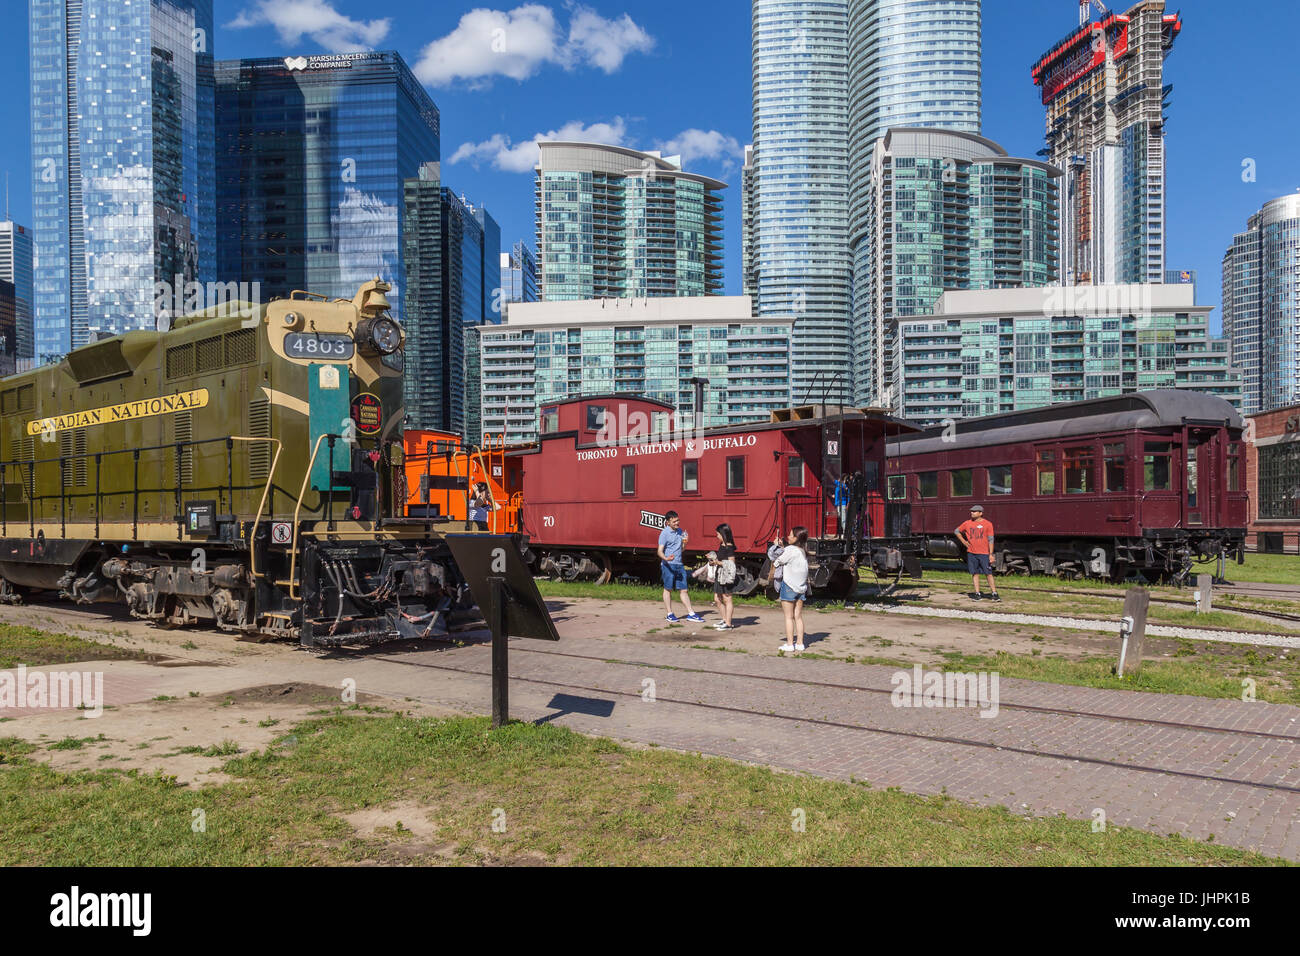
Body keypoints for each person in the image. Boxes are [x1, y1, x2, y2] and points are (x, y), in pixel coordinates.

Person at [657, 511, 704, 623]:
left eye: (678, 520)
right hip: (668, 565)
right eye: (674, 521)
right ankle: (669, 614)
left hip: (679, 564)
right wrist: (666, 558)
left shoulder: (680, 532)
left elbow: (681, 549)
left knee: (684, 590)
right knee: (668, 589)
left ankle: (691, 614)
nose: (677, 523)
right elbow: (659, 551)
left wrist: (685, 543)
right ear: (668, 522)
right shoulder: (664, 533)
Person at [769, 526, 809, 652]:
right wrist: (782, 547)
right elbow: (788, 554)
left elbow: (778, 560)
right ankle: (800, 643)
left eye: (791, 535)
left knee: (788, 617)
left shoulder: (790, 549)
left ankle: (790, 644)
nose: (788, 536)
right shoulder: (802, 551)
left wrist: (776, 547)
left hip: (789, 586)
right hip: (801, 587)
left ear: (796, 538)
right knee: (798, 616)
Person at [955, 504, 999, 602]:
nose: (972, 513)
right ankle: (977, 593)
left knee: (988, 573)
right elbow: (957, 531)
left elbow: (991, 539)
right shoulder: (967, 523)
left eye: (974, 511)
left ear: (981, 513)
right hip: (971, 553)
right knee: (975, 573)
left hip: (984, 553)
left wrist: (991, 554)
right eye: (971, 511)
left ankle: (994, 593)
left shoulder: (988, 524)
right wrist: (964, 542)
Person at [710, 523, 738, 630]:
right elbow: (721, 559)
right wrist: (713, 559)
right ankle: (725, 619)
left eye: (718, 534)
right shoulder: (722, 545)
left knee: (727, 599)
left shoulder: (729, 547)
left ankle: (728, 624)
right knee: (717, 598)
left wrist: (718, 562)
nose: (717, 536)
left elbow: (731, 563)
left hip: (726, 576)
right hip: (719, 574)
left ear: (723, 534)